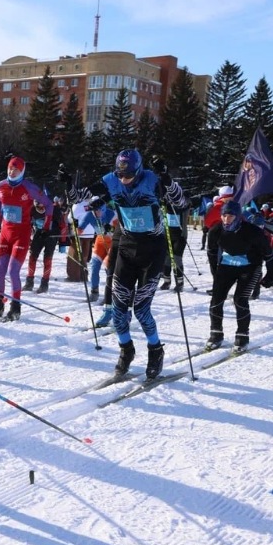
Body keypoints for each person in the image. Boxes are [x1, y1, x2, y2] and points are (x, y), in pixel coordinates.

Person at [72, 149, 187, 379]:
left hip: (153, 250)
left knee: (142, 309)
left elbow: (181, 202)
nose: (124, 180)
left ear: (139, 169)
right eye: (121, 175)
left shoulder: (152, 180)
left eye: (129, 176)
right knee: (118, 309)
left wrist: (166, 178)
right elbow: (80, 196)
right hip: (127, 247)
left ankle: (155, 350)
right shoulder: (111, 180)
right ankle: (126, 350)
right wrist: (69, 184)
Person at [204, 200, 273, 352]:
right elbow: (211, 253)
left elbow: (269, 254)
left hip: (249, 268)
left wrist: (270, 275)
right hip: (226, 267)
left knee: (240, 300)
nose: (226, 219)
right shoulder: (215, 230)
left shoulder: (252, 231)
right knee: (216, 299)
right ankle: (216, 334)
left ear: (238, 217)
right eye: (224, 215)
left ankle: (242, 336)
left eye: (230, 216)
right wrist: (215, 273)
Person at [0, 156, 51, 320]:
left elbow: (49, 204)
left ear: (22, 171)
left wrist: (46, 227)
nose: (12, 171)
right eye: (10, 168)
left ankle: (15, 307)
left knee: (13, 271)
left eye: (16, 169)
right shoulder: (0, 185)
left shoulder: (28, 187)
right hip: (5, 234)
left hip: (21, 235)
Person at [23, 192, 68, 294]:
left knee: (47, 259)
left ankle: (44, 284)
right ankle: (29, 282)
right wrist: (27, 239)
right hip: (39, 233)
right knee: (32, 256)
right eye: (38, 208)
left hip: (52, 235)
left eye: (42, 208)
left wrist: (63, 242)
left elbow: (63, 225)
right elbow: (28, 225)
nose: (40, 210)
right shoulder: (32, 209)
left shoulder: (54, 209)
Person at [158, 159, 191, 292]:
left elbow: (184, 205)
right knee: (166, 259)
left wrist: (174, 203)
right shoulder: (165, 203)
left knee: (176, 259)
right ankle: (167, 281)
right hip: (166, 233)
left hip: (180, 235)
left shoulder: (182, 203)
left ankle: (180, 283)